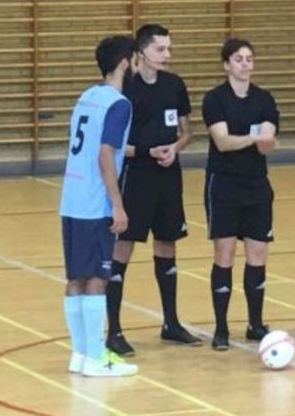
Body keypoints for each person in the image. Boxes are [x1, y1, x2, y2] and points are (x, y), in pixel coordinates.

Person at [105, 24, 201, 356]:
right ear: (142, 51)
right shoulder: (125, 89)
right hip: (135, 177)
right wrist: (146, 152)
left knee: (167, 244)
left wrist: (175, 148)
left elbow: (187, 132)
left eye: (169, 48)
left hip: (168, 176)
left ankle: (171, 323)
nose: (168, 55)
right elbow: (114, 146)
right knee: (124, 248)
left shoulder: (174, 85)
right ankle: (114, 330)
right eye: (161, 49)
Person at [60, 35, 139, 376]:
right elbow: (105, 153)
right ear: (125, 62)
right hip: (94, 202)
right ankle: (96, 357)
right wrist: (117, 204)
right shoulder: (118, 103)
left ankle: (80, 354)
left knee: (77, 277)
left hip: (71, 198)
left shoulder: (86, 96)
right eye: (136, 60)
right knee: (97, 278)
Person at [201, 38, 280, 351]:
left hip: (256, 184)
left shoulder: (264, 99)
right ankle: (221, 328)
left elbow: (267, 142)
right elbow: (222, 142)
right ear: (226, 64)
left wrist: (256, 138)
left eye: (249, 58)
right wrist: (254, 135)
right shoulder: (215, 99)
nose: (245, 64)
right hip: (223, 185)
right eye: (238, 59)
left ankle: (255, 324)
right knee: (224, 254)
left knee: (257, 254)